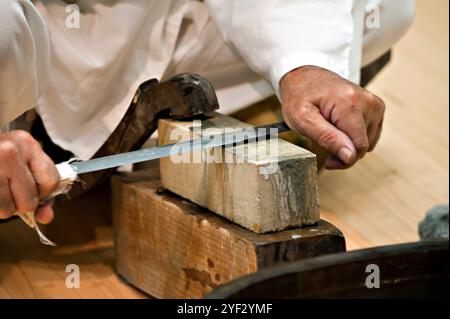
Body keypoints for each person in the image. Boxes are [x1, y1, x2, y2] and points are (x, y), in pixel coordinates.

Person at [0, 0, 415, 224]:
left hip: (160, 19)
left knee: (388, 7)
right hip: (36, 39)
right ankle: (27, 138)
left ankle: (216, 145)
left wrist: (305, 65)